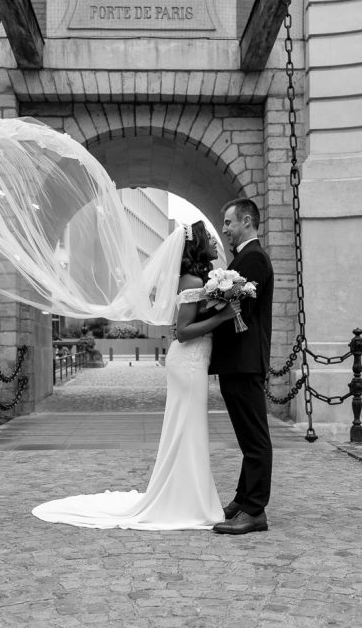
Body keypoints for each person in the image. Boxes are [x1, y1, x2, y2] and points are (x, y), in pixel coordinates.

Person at [31, 219, 237, 529]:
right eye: (207, 235)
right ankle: (189, 502)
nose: (213, 238)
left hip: (193, 361)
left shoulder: (197, 279)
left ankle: (187, 498)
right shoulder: (192, 282)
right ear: (196, 245)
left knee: (188, 431)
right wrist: (224, 316)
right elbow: (182, 331)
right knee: (188, 430)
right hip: (188, 362)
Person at [209, 198, 275, 535]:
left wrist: (205, 314)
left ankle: (255, 510)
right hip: (238, 363)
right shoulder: (246, 257)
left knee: (256, 440)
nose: (225, 229)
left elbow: (241, 313)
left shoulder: (254, 258)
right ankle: (242, 499)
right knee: (248, 439)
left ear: (246, 221)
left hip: (245, 362)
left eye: (229, 222)